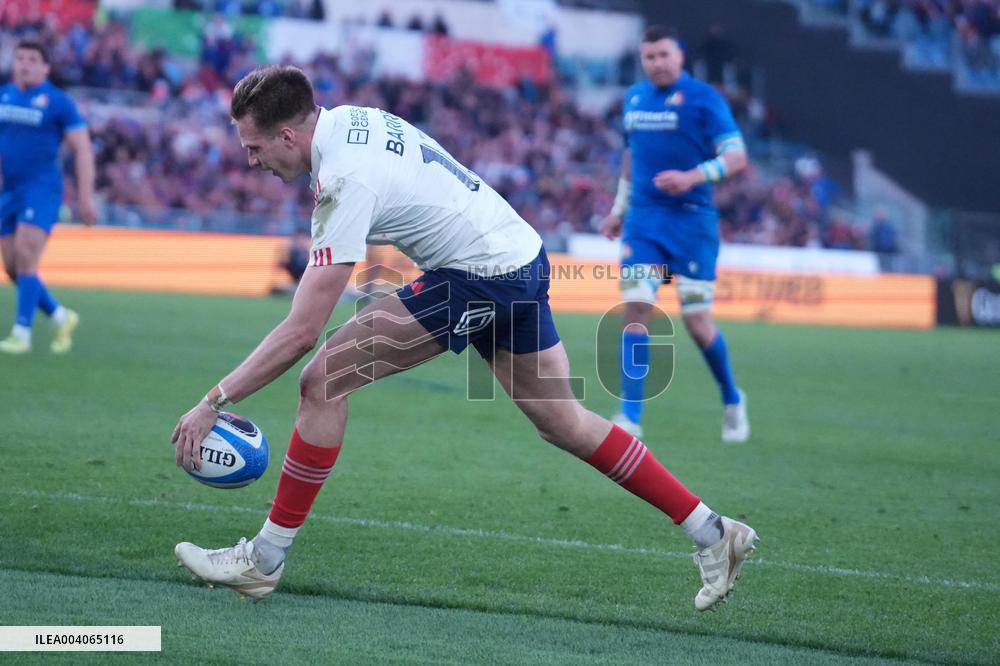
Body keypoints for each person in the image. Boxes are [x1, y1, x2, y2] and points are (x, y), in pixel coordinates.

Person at [170, 66, 758, 611]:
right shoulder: (345, 119)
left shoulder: (344, 180)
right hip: (521, 252)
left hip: (481, 275)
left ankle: (263, 560)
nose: (251, 161)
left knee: (322, 378)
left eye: (254, 147)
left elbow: (301, 330)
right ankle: (713, 531)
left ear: (290, 137)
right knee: (565, 421)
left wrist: (212, 402)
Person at [599, 25, 750, 443]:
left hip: (692, 222)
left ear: (679, 56)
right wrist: (617, 211)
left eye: (664, 55)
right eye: (649, 57)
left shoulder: (705, 98)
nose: (657, 63)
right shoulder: (634, 99)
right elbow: (631, 159)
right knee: (637, 307)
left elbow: (736, 157)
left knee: (697, 322)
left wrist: (693, 176)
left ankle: (732, 397)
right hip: (644, 221)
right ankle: (630, 415)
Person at [0, 40, 97, 354]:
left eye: (32, 59)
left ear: (45, 67)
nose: (25, 64)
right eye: (20, 58)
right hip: (9, 190)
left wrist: (85, 198)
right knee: (14, 268)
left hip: (41, 189)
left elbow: (82, 149)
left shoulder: (58, 103)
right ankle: (60, 315)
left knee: (27, 255)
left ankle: (21, 334)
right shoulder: (5, 95)